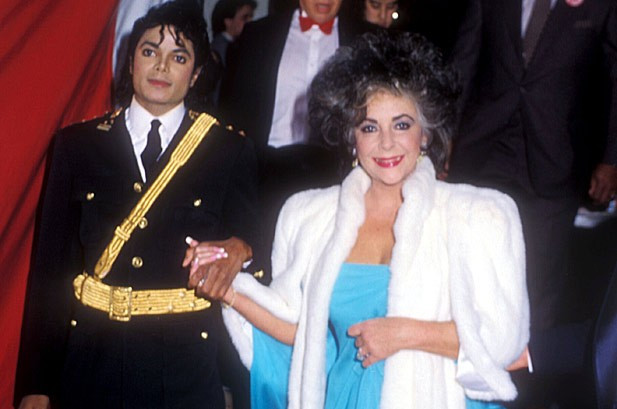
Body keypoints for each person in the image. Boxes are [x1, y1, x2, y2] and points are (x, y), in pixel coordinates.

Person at [188, 31, 529, 408]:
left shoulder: (479, 216)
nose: (386, 143)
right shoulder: (310, 216)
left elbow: (505, 343)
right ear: (351, 138)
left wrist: (403, 333)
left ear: (425, 134)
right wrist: (227, 288)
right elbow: (300, 329)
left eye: (402, 125)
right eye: (369, 127)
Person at [14, 3, 259, 409]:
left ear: (196, 73)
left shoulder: (229, 150)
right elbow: (49, 274)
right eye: (149, 51)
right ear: (130, 63)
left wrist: (242, 249)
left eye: (178, 57)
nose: (161, 66)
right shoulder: (76, 147)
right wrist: (36, 384)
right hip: (91, 364)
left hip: (184, 372)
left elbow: (255, 246)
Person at [449, 0, 617, 333]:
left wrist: (612, 159)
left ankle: (530, 364)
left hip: (557, 162)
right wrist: (445, 137)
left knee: (537, 285)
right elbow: (463, 63)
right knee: (467, 273)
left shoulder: (602, 5)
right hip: (485, 152)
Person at [219, 0, 374, 278]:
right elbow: (233, 109)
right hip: (267, 172)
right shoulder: (258, 34)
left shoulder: (365, 38)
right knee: (267, 268)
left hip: (335, 174)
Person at [208, 0, 256, 106]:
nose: (250, 21)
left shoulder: (236, 45)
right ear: (228, 21)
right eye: (245, 18)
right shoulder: (221, 47)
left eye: (251, 17)